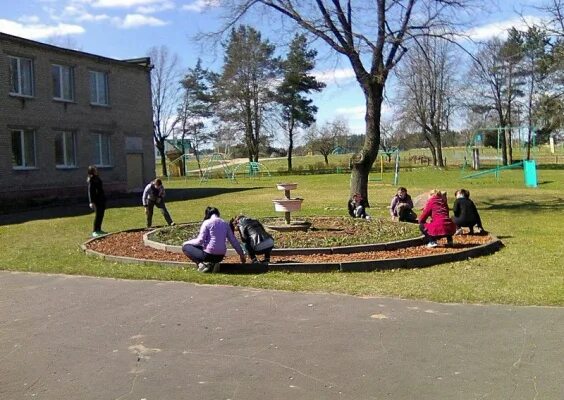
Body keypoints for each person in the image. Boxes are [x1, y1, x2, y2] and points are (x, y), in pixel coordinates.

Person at [182, 207, 246, 273]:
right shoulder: (225, 223)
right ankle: (214, 264)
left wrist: (186, 243)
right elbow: (234, 241)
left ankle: (201, 265)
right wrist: (241, 255)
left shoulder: (207, 223)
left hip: (208, 255)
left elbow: (200, 240)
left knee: (186, 247)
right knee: (204, 248)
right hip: (220, 256)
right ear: (218, 214)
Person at [87, 165, 107, 237]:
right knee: (98, 215)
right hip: (96, 200)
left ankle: (99, 229)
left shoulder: (98, 178)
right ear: (92, 171)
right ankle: (95, 230)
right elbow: (90, 191)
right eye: (95, 170)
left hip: (101, 199)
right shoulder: (91, 179)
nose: (96, 170)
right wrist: (91, 202)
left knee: (101, 215)